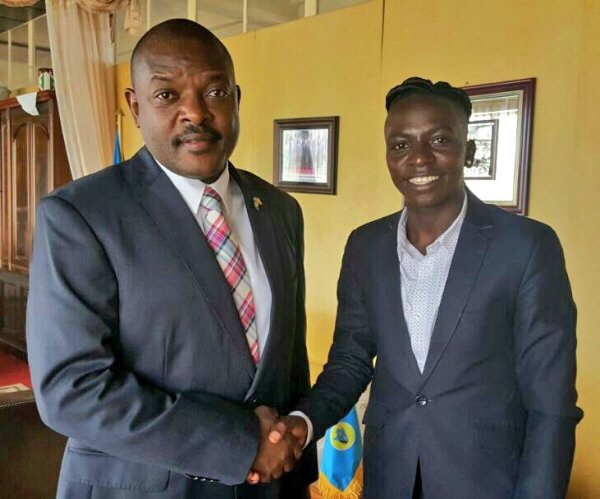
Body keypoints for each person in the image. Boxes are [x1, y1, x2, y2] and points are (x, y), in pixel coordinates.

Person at [26, 19, 316, 499]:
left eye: (215, 92)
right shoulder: (82, 215)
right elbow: (71, 390)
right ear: (135, 107)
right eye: (166, 95)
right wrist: (241, 443)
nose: (195, 113)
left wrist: (293, 468)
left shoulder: (281, 210)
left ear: (237, 99)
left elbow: (289, 363)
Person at [269, 77, 583, 498]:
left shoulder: (526, 247)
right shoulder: (365, 246)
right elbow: (350, 361)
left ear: (469, 151)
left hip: (487, 482)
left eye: (439, 140)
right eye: (401, 144)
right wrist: (303, 423)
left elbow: (551, 402)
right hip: (390, 475)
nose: (418, 158)